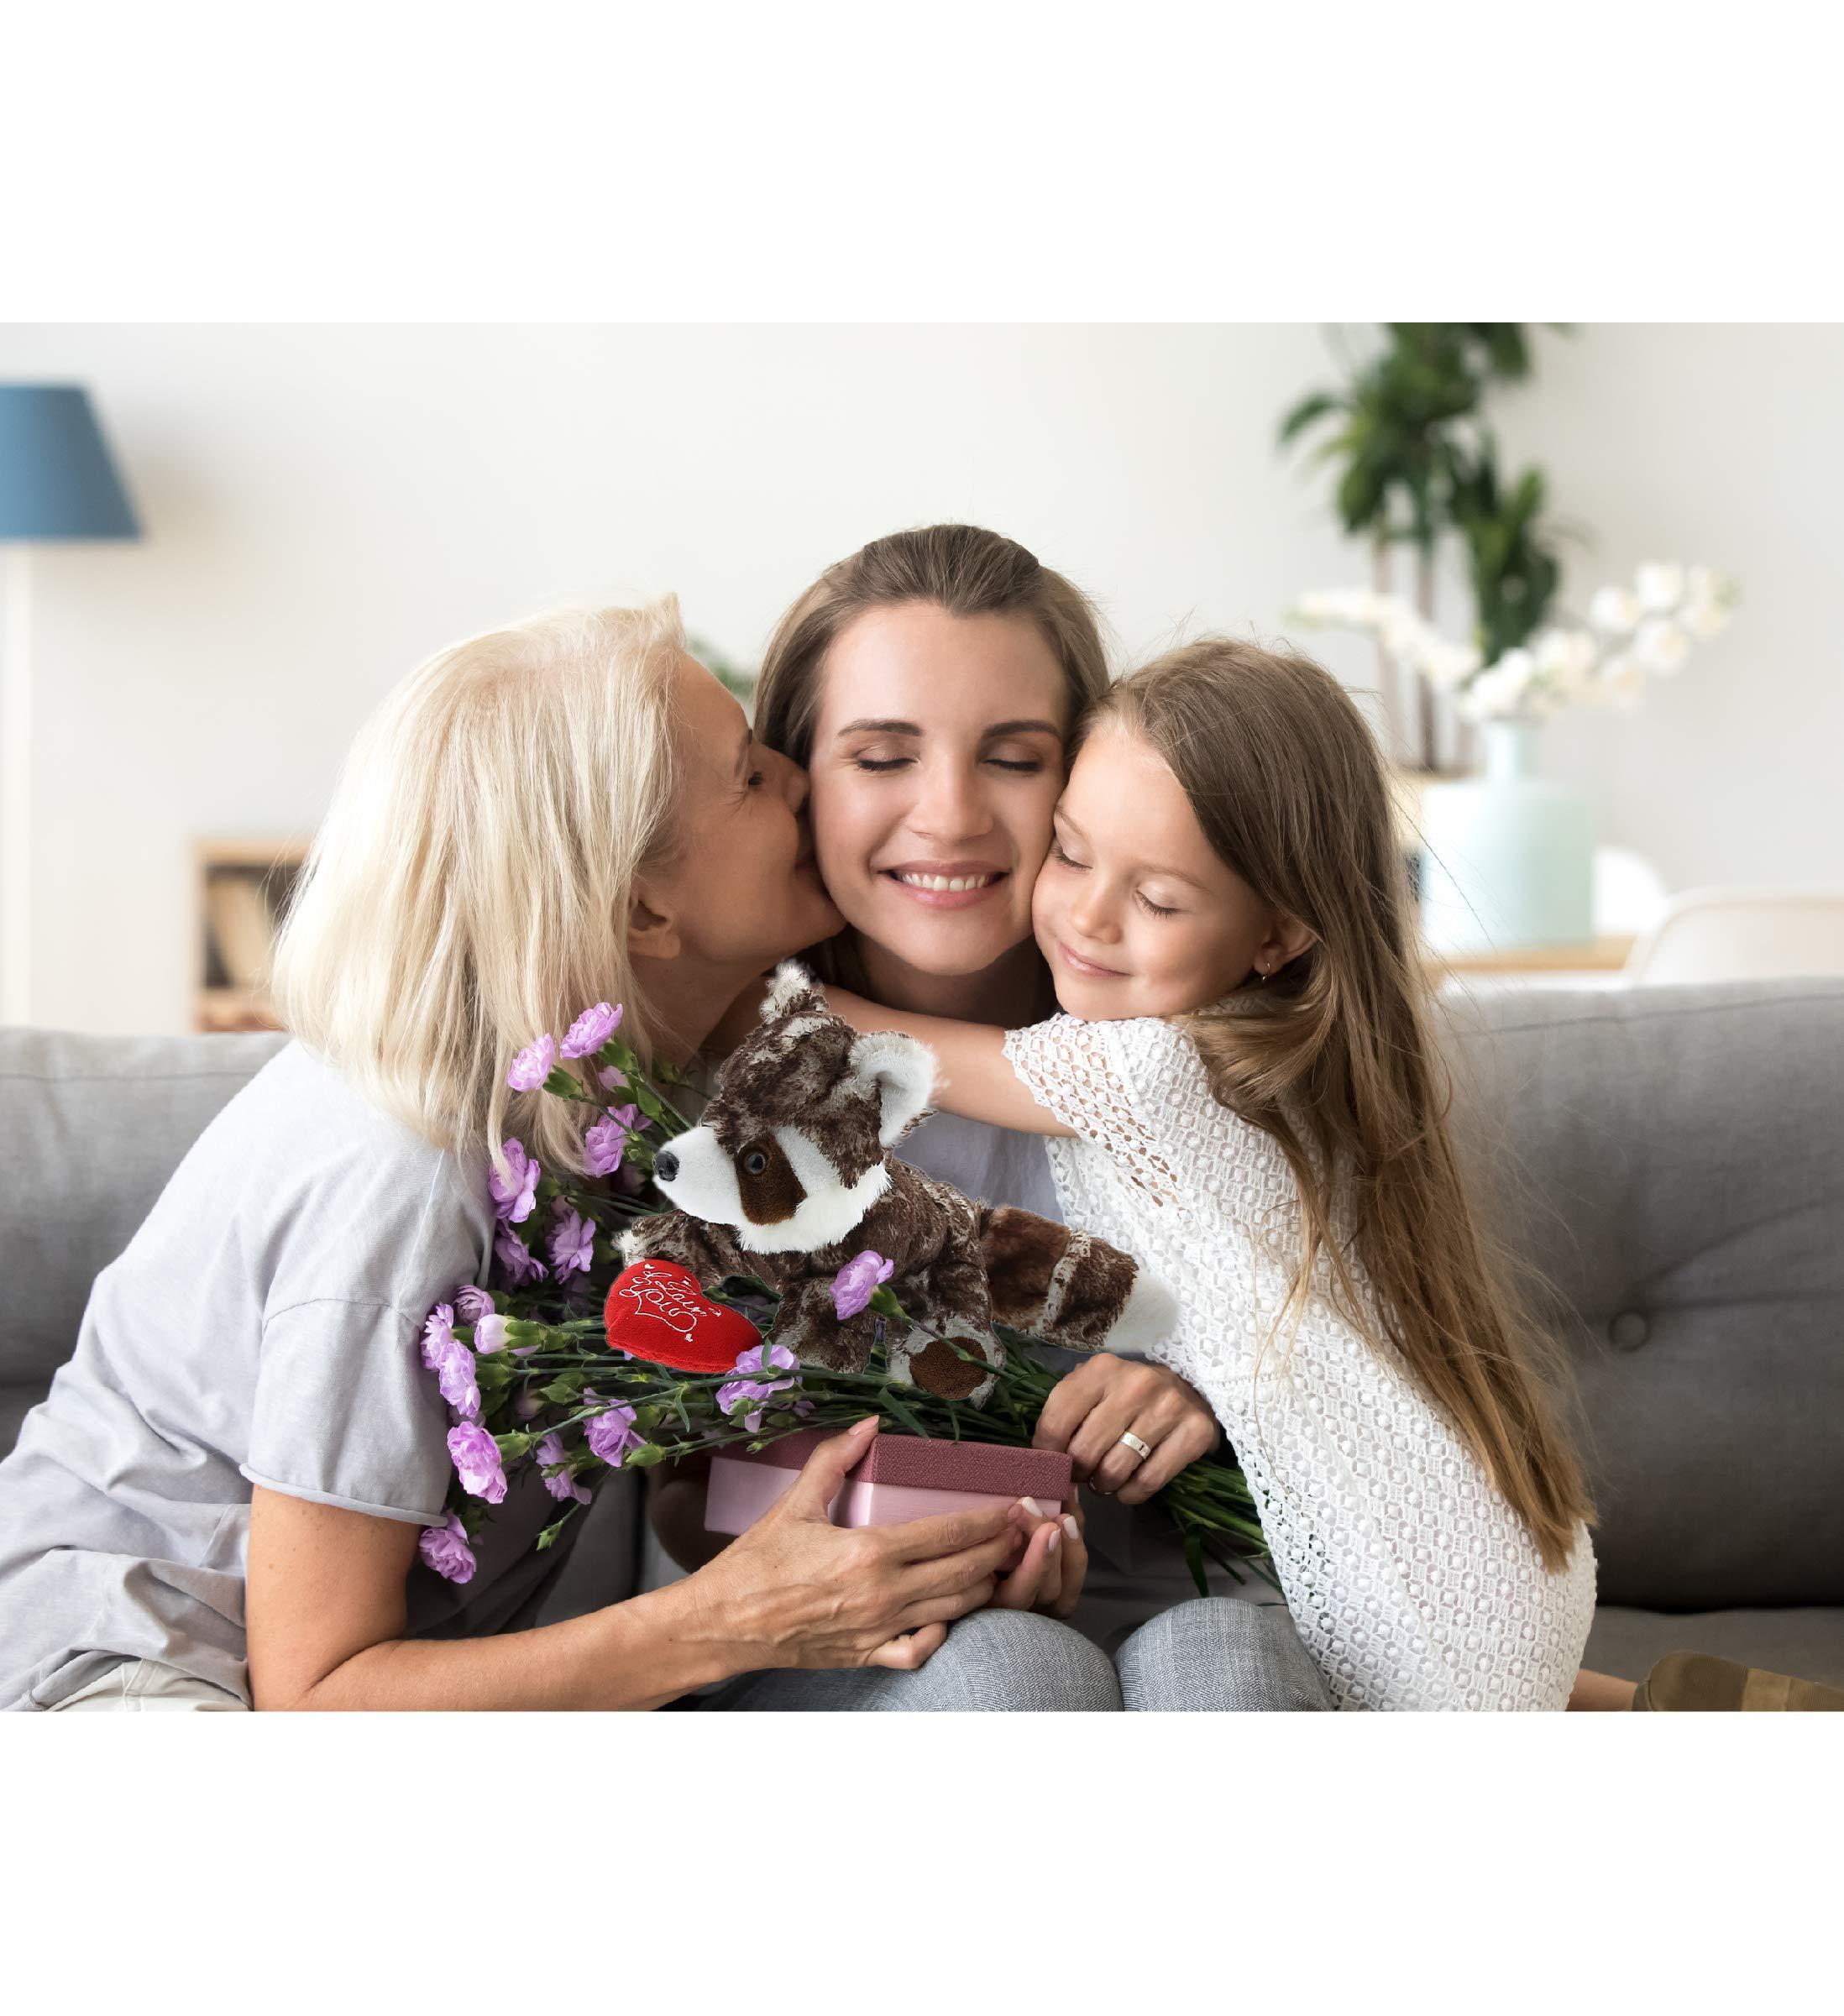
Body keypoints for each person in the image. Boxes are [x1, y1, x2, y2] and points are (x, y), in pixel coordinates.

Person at [0, 599, 1121, 1714]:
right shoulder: (400, 1175)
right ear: (643, 907)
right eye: (745, 775)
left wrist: (915, 1531)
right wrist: (733, 1618)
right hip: (135, 1674)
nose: (793, 776)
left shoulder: (634, 1088)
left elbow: (697, 1459)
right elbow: (317, 1695)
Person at [814, 634, 1604, 1710]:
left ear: (1277, 935)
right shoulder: (1277, 1061)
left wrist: (710, 985)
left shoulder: (1158, 1063)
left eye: (1162, 899)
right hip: (1501, 1572)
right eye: (1074, 853)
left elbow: (870, 1042)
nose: (1087, 916)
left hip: (1424, 1609)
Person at [753, 526, 1334, 1710]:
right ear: (791, 775)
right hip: (865, 1648)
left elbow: (1371, 1363)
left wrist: (1215, 1392)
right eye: (880, 757)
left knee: (1233, 1659)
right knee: (1013, 1674)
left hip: (1181, 1617)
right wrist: (893, 1529)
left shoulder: (1200, 1047)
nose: (952, 814)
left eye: (1014, 758)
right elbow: (673, 1496)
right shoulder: (729, 1083)